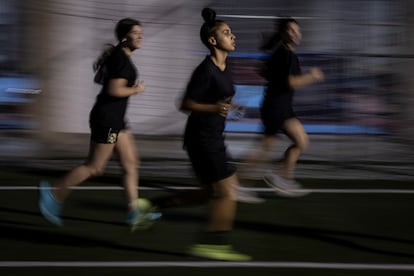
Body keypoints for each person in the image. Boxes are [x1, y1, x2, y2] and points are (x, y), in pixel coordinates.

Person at [146, 8, 251, 261]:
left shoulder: (226, 65)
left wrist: (230, 107)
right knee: (228, 192)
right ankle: (213, 243)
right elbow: (185, 104)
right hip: (202, 139)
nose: (233, 36)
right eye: (227, 33)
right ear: (213, 40)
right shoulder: (205, 70)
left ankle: (153, 206)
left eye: (232, 32)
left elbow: (218, 97)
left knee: (206, 194)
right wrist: (215, 107)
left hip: (212, 136)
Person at [38, 18, 160, 229]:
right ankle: (54, 194)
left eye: (141, 32)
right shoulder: (121, 60)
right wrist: (136, 90)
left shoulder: (120, 57)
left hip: (117, 121)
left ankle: (134, 212)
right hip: (108, 121)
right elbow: (114, 90)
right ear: (124, 36)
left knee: (131, 163)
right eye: (135, 33)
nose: (140, 36)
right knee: (94, 167)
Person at [243, 17, 324, 197]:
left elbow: (263, 70)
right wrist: (312, 76)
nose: (295, 34)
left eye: (297, 30)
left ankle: (282, 178)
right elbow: (291, 82)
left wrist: (271, 74)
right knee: (265, 149)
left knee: (301, 141)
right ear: (283, 33)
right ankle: (239, 185)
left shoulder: (283, 53)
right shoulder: (285, 55)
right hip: (275, 107)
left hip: (283, 106)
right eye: (291, 30)